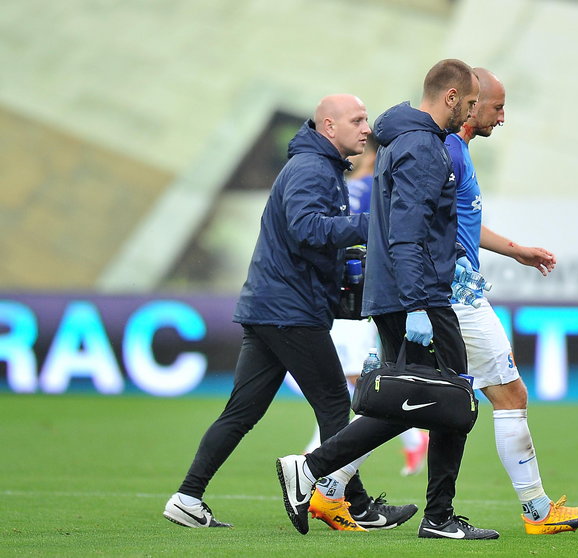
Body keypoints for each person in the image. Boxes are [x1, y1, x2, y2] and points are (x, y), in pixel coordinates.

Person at [163, 94, 417, 532]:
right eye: (357, 120)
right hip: (288, 309)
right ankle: (354, 506)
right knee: (337, 403)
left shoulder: (317, 166)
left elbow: (309, 233)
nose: (365, 128)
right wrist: (371, 226)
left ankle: (187, 496)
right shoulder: (312, 168)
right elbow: (307, 229)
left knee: (243, 411)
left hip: (272, 306)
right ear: (328, 127)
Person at [277, 59, 500, 540]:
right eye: (473, 102)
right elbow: (405, 233)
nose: (475, 112)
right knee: (449, 400)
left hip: (402, 292)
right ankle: (322, 471)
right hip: (417, 295)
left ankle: (330, 476)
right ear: (452, 97)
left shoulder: (405, 139)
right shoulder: (423, 147)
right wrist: (419, 303)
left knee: (420, 402)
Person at [444, 68, 578, 534]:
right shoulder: (449, 150)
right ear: (471, 107)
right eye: (498, 107)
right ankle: (537, 510)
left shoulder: (456, 150)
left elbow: (463, 221)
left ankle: (324, 484)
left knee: (397, 403)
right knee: (509, 393)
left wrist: (516, 251)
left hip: (439, 293)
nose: (503, 116)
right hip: (456, 294)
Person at [305, 133, 431, 477]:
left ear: (371, 157)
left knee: (354, 377)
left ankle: (318, 455)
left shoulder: (363, 191)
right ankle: (410, 438)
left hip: (354, 298)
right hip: (354, 297)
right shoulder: (364, 190)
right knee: (351, 378)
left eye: (362, 152)